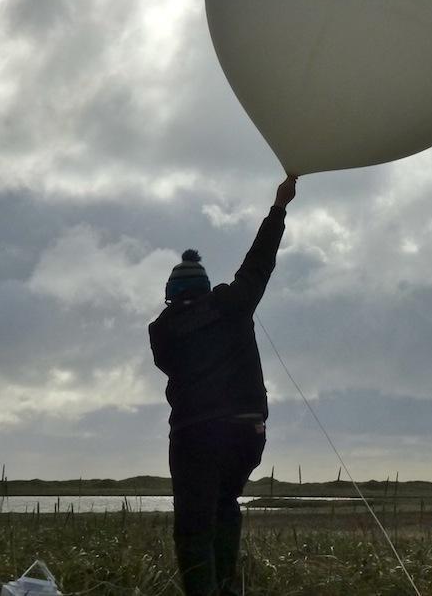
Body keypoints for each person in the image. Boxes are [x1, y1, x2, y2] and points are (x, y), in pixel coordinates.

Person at [149, 175, 297, 595]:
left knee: (194, 524)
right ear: (203, 287)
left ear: (171, 295)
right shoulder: (232, 303)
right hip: (246, 433)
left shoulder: (161, 331)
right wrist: (278, 208)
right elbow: (260, 261)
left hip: (196, 434)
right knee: (225, 505)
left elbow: (168, 365)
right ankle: (228, 588)